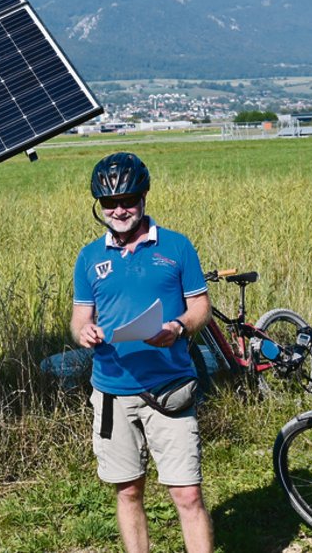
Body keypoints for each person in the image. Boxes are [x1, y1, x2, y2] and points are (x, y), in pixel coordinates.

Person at [72, 152, 214, 553]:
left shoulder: (177, 246)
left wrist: (178, 327)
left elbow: (199, 306)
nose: (119, 210)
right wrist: (84, 332)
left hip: (170, 388)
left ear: (144, 196)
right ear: (99, 206)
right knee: (128, 491)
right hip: (112, 392)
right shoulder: (89, 257)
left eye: (127, 200)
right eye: (109, 203)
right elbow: (80, 317)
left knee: (187, 495)